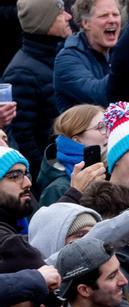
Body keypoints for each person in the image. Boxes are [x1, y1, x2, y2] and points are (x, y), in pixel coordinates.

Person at [6, 0, 73, 177]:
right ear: (45, 22)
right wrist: (47, 176)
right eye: (60, 14)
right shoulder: (22, 73)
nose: (68, 16)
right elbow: (24, 139)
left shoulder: (57, 57)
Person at [38, 105, 107, 208]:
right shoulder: (58, 188)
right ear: (77, 140)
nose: (108, 133)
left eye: (108, 126)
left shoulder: (109, 169)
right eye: (100, 127)